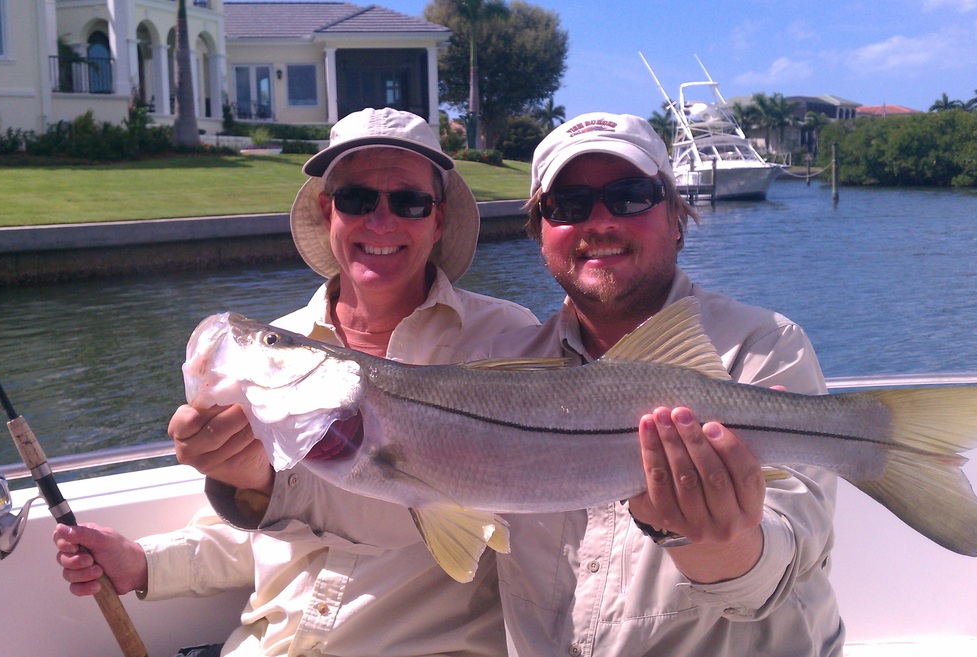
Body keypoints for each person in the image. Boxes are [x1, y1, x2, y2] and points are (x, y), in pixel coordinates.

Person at [53, 107, 538, 657]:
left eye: (408, 202)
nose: (381, 222)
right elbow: (247, 535)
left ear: (438, 220)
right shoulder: (274, 350)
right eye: (357, 199)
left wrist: (271, 489)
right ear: (327, 211)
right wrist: (143, 563)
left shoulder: (507, 339)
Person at [479, 112, 843, 656]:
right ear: (540, 234)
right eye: (569, 205)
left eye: (629, 196)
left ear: (676, 217)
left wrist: (708, 536)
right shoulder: (499, 370)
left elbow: (784, 564)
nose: (599, 221)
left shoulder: (766, 346)